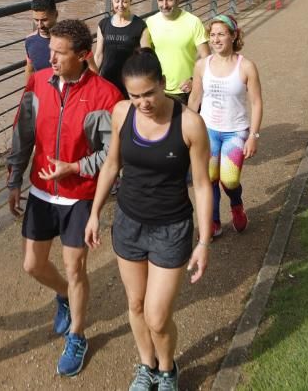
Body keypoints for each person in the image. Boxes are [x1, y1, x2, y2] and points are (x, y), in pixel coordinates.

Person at [85, 48, 213, 391]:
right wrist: (95, 212)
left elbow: (201, 186)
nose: (143, 102)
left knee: (157, 317)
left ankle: (168, 369)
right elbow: (112, 164)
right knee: (136, 304)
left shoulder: (189, 124)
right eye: (134, 95)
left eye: (149, 93)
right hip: (128, 223)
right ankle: (146, 365)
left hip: (171, 228)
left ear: (163, 83)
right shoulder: (121, 113)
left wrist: (203, 242)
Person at [6, 18, 123, 377]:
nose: (51, 59)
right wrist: (15, 178)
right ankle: (63, 297)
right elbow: (23, 133)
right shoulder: (37, 83)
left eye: (59, 53)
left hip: (80, 196)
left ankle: (77, 335)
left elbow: (111, 154)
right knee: (32, 265)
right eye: (50, 51)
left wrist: (74, 167)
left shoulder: (106, 95)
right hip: (41, 190)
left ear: (84, 55)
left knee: (76, 268)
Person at [187, 14, 263, 239]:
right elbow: (194, 98)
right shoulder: (202, 65)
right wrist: (186, 130)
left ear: (233, 36)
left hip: (235, 132)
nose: (216, 39)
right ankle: (214, 221)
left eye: (221, 34)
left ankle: (236, 204)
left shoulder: (246, 66)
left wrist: (253, 136)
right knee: (209, 177)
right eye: (212, 35)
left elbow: (257, 102)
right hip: (207, 131)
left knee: (229, 179)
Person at [145, 0, 210, 104]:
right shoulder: (150, 22)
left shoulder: (193, 22)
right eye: (160, 0)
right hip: (159, 89)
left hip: (186, 91)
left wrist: (194, 80)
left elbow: (207, 58)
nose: (164, 5)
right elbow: (146, 56)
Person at [94, 0, 151, 97]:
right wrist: (93, 78)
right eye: (117, 1)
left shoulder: (140, 26)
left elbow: (146, 58)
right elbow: (98, 55)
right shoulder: (103, 24)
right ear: (112, 1)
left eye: (124, 1)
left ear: (131, 1)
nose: (120, 5)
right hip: (106, 80)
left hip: (129, 81)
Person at [23, 0, 58, 82]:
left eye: (44, 20)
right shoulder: (30, 41)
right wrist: (28, 93)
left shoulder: (70, 39)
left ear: (56, 15)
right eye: (36, 20)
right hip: (42, 93)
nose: (39, 25)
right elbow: (30, 69)